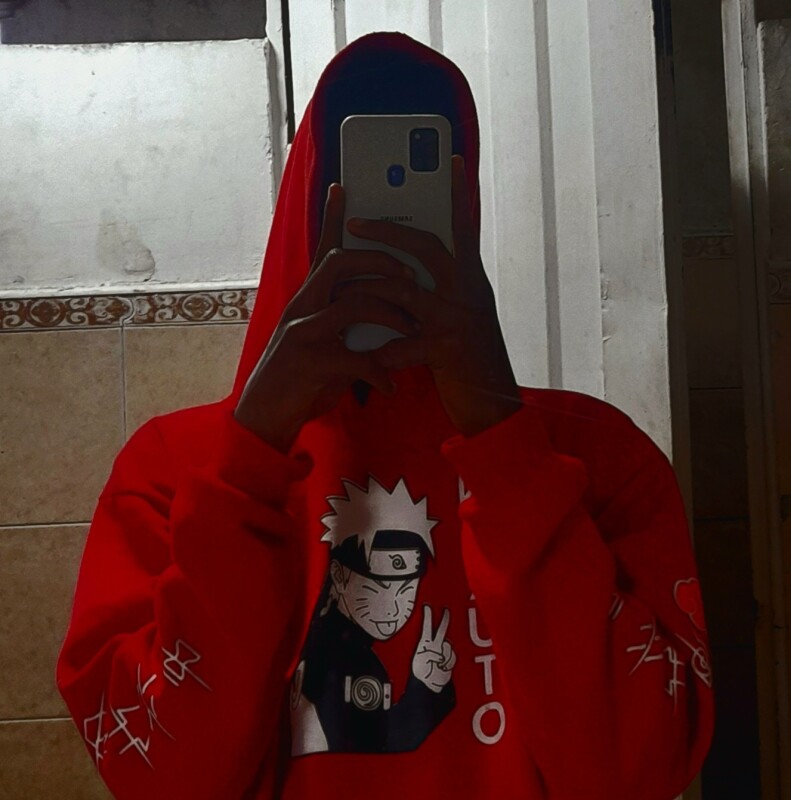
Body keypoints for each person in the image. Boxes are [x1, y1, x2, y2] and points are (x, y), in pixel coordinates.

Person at [56, 31, 715, 800]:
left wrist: (507, 447)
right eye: (350, 168)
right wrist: (248, 459)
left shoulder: (599, 459)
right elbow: (169, 782)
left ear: (463, 201)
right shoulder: (175, 472)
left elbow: (639, 774)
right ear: (308, 194)